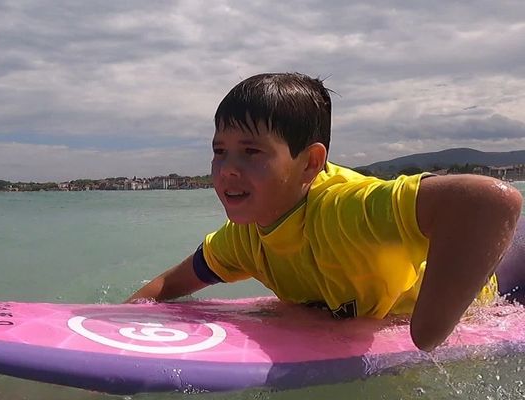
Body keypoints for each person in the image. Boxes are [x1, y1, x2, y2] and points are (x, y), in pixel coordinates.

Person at [126, 72, 523, 352]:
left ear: (310, 164)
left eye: (251, 151)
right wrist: (119, 322)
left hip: (497, 275)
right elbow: (166, 286)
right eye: (219, 151)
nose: (227, 168)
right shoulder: (244, 238)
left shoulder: (345, 211)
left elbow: (490, 202)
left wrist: (426, 331)